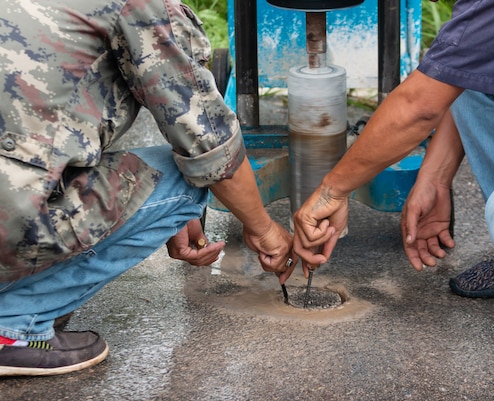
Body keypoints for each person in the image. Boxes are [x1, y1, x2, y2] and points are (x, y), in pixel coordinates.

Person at [0, 0, 297, 377]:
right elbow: (209, 147)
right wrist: (265, 229)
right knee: (179, 179)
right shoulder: (139, 6)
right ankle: (13, 329)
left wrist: (163, 215)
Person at [292, 0, 494, 317]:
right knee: (467, 68)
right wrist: (434, 178)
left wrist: (332, 191)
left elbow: (418, 108)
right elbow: (459, 72)